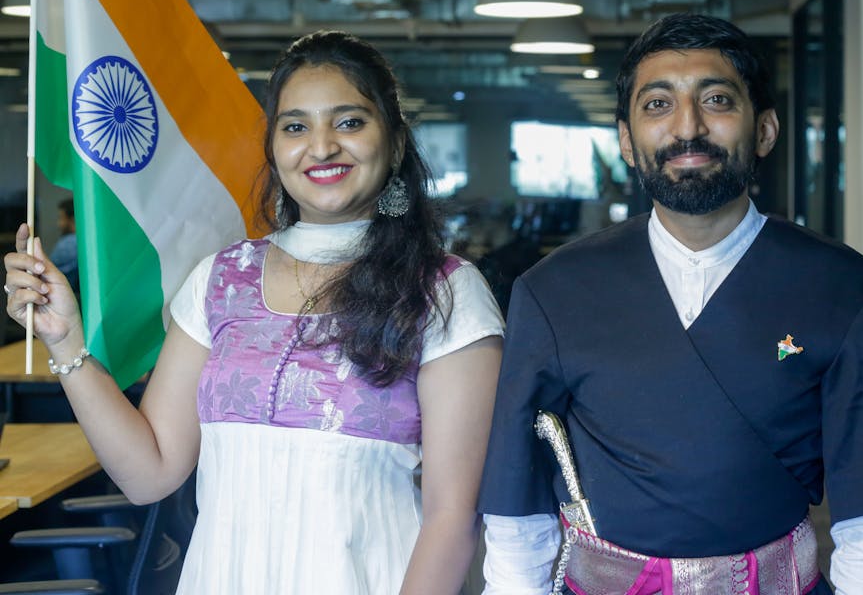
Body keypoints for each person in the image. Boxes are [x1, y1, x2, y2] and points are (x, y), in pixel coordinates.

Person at [3, 31, 504, 594]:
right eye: (295, 127)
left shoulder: (445, 291)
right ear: (273, 147)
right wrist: (68, 343)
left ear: (394, 142)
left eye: (349, 122)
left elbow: (453, 517)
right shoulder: (218, 281)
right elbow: (151, 473)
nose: (320, 147)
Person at [478, 13, 863, 595]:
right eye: (657, 105)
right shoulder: (553, 289)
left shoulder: (849, 290)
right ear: (626, 141)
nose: (688, 127)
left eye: (716, 100)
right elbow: (518, 498)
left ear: (764, 130)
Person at [49, 198, 78, 293]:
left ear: (72, 219)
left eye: (61, 218)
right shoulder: (85, 243)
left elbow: (44, 270)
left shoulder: (69, 243)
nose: (59, 224)